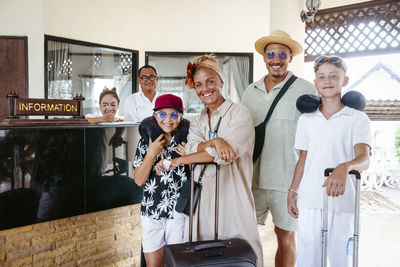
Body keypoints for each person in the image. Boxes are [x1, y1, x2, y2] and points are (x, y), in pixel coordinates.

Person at [156, 54, 263, 266]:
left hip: (233, 195)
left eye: (210, 82)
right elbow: (192, 148)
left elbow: (223, 156)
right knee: (202, 255)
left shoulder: (239, 114)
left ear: (221, 82)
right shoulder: (197, 121)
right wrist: (216, 141)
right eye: (199, 84)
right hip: (202, 198)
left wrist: (180, 160)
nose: (205, 88)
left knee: (239, 252)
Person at [241, 29, 317, 267]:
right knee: (245, 238)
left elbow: (315, 136)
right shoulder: (249, 91)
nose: (276, 59)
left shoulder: (306, 89)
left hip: (287, 181)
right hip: (251, 177)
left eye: (282, 54)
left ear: (290, 58)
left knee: (285, 237)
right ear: (264, 57)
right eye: (271, 54)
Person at [287, 55, 371, 266]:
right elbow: (303, 159)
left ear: (345, 80)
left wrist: (345, 167)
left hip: (342, 201)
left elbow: (364, 158)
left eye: (334, 76)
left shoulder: (357, 118)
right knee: (308, 260)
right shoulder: (306, 120)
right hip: (310, 200)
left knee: (342, 260)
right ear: (315, 83)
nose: (328, 81)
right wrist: (292, 191)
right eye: (322, 77)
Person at [133, 94, 189, 267]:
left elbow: (200, 173)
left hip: (179, 212)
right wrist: (151, 154)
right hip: (152, 212)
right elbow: (139, 180)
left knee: (177, 264)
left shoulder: (187, 142)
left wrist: (189, 156)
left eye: (174, 115)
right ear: (155, 115)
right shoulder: (146, 141)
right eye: (162, 114)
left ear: (180, 118)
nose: (168, 120)